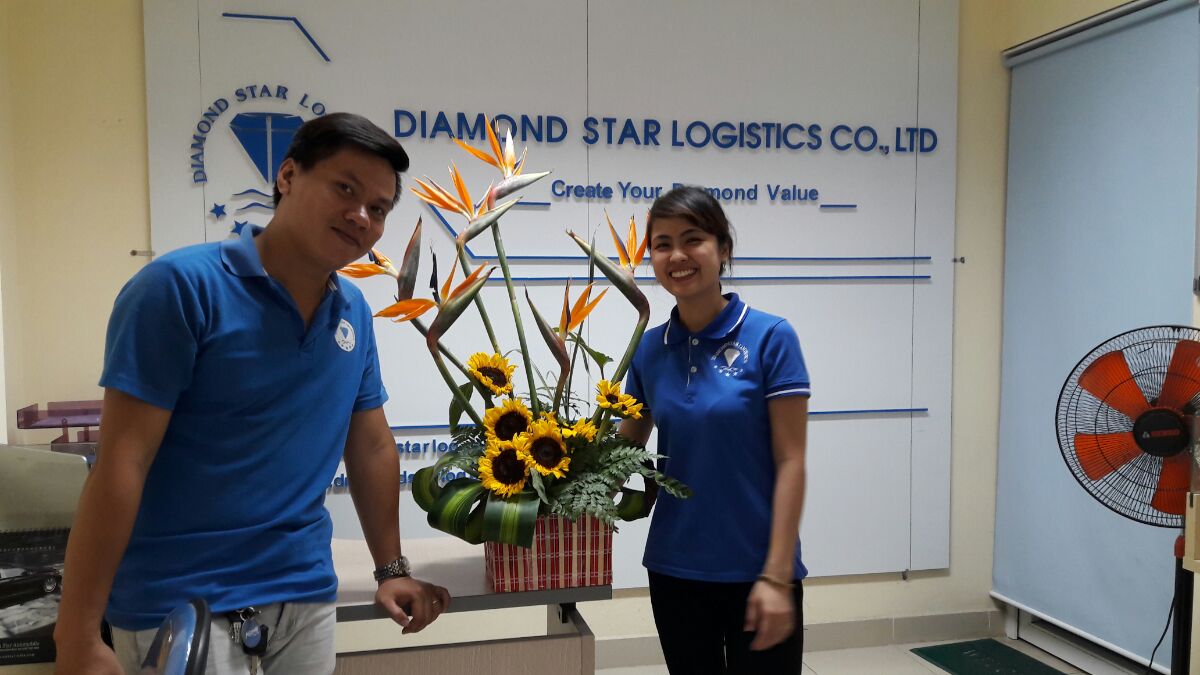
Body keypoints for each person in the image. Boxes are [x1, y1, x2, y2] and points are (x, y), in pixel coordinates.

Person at [53, 112, 450, 675]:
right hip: (180, 604)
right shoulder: (179, 289)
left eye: (379, 208)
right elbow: (122, 461)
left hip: (303, 595)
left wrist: (391, 569)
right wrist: (76, 634)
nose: (361, 216)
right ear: (287, 176)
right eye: (345, 189)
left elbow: (371, 446)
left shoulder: (353, 311)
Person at [619, 186, 810, 674]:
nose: (677, 256)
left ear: (723, 248)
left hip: (758, 570)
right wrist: (546, 466)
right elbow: (620, 451)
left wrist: (777, 576)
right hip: (675, 569)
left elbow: (792, 461)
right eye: (662, 244)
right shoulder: (648, 349)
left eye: (693, 239)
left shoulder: (771, 337)